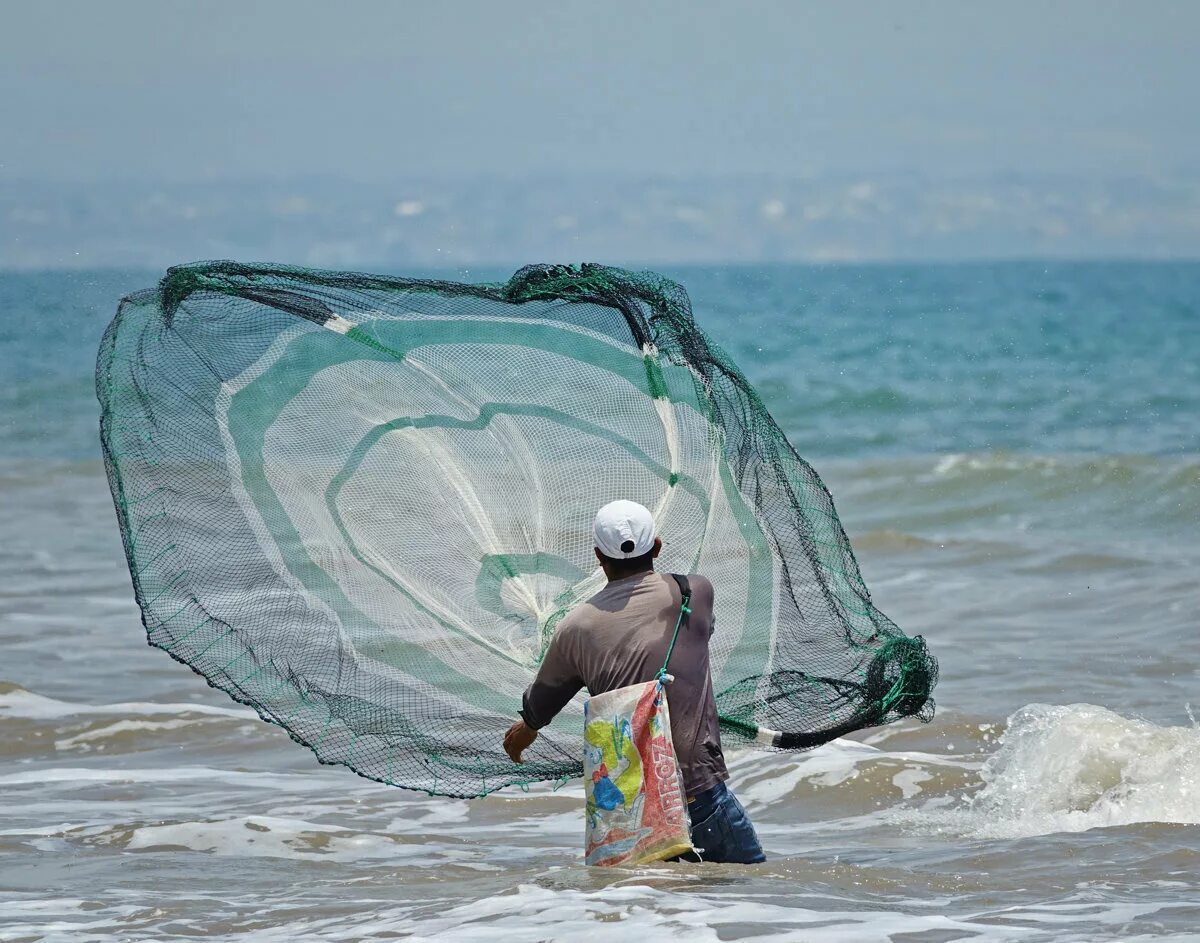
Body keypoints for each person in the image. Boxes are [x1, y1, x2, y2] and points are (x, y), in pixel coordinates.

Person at [503, 499, 765, 864]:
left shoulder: (575, 628)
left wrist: (525, 730)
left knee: (649, 911)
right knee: (738, 897)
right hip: (700, 798)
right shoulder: (694, 593)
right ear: (656, 546)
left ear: (598, 556)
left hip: (633, 814)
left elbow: (541, 704)